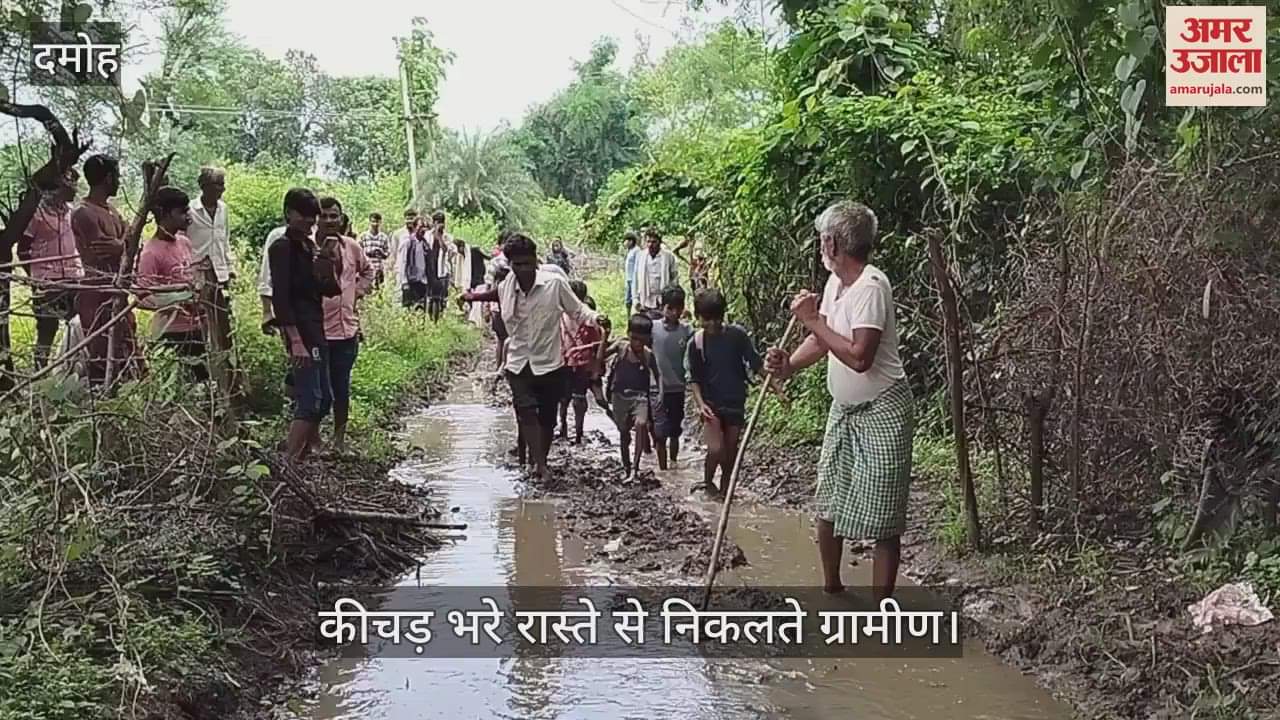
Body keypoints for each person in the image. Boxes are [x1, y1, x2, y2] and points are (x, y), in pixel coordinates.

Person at [765, 201, 914, 601]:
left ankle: (882, 606)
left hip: (883, 409)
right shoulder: (836, 284)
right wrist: (789, 366)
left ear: (832, 243)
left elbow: (859, 357)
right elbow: (822, 339)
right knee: (827, 502)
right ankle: (832, 587)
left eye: (821, 240)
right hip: (844, 409)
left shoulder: (871, 287)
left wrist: (812, 319)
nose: (819, 246)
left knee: (885, 518)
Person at [461, 233, 598, 481]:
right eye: (517, 264)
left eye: (526, 263)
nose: (522, 269)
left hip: (549, 362)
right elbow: (494, 294)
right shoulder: (506, 288)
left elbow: (577, 310)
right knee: (525, 410)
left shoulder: (554, 285)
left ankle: (539, 461)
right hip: (518, 362)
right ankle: (541, 466)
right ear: (510, 264)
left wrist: (597, 319)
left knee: (547, 418)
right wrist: (472, 297)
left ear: (535, 260)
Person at [268, 188, 340, 461]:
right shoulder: (281, 248)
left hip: (316, 326)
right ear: (289, 214)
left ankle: (304, 450)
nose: (309, 222)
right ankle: (290, 461)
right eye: (304, 216)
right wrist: (294, 339)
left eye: (313, 217)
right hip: (299, 330)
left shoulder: (310, 248)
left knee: (324, 399)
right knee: (311, 400)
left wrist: (326, 263)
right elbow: (281, 297)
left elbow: (328, 289)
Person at [71, 154, 142, 386]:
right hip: (97, 293)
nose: (120, 181)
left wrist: (121, 244)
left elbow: (132, 240)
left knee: (129, 349)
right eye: (118, 176)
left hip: (117, 291)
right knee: (102, 356)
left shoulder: (110, 209)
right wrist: (124, 243)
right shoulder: (84, 212)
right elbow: (104, 250)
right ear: (108, 178)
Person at [687, 288, 763, 497]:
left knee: (730, 452)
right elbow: (694, 379)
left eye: (717, 319)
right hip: (711, 403)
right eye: (707, 319)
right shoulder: (696, 343)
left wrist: (776, 388)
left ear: (723, 315)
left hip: (735, 401)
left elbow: (755, 363)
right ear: (698, 317)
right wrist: (701, 404)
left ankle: (725, 491)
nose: (712, 324)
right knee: (716, 449)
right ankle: (708, 481)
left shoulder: (737, 336)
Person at [320, 198, 375, 453]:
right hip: (317, 332)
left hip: (347, 330)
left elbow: (368, 271)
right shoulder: (308, 248)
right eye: (325, 216)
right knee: (318, 390)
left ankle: (339, 441)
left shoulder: (352, 247)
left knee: (341, 387)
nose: (330, 221)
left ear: (342, 219)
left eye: (334, 216)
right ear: (316, 219)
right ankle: (311, 439)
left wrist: (358, 293)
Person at [136, 186, 207, 382]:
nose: (188, 215)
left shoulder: (184, 242)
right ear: (166, 214)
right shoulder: (151, 253)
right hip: (171, 333)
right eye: (182, 211)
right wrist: (175, 301)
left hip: (196, 328)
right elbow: (142, 298)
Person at [18, 167, 83, 368]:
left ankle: (71, 371)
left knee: (77, 327)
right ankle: (40, 375)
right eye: (70, 183)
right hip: (46, 283)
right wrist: (36, 280)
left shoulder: (72, 213)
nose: (75, 188)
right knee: (46, 331)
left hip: (74, 279)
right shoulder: (36, 214)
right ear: (58, 186)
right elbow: (22, 250)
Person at [187, 167, 237, 366]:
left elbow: (224, 240)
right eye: (216, 185)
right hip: (198, 273)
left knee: (223, 320)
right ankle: (203, 361)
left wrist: (230, 268)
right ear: (203, 186)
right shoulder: (190, 210)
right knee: (201, 319)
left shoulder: (223, 209)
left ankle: (226, 362)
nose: (220, 190)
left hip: (220, 273)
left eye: (222, 185)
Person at [604, 314, 661, 479]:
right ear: (628, 334)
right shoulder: (621, 348)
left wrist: (660, 394)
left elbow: (658, 376)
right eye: (634, 338)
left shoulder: (648, 355)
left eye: (641, 340)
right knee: (623, 433)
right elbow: (601, 356)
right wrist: (603, 337)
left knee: (641, 424)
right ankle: (626, 467)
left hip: (640, 397)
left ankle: (635, 468)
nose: (637, 343)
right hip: (619, 396)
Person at [651, 285, 694, 470]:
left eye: (678, 308)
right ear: (662, 307)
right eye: (670, 308)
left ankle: (674, 465)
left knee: (675, 431)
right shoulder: (652, 329)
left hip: (677, 389)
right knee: (660, 433)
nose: (674, 312)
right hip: (656, 390)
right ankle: (663, 471)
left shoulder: (687, 331)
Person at [558, 279, 604, 444]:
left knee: (566, 399)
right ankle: (575, 432)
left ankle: (568, 430)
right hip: (578, 363)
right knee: (575, 399)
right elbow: (598, 345)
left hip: (568, 362)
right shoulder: (587, 319)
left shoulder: (563, 316)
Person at [633, 228, 678, 318]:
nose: (650, 245)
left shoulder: (668, 257)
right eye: (648, 242)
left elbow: (674, 278)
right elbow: (636, 279)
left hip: (662, 300)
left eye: (654, 242)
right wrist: (635, 299)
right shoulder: (641, 256)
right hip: (645, 299)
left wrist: (671, 299)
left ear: (659, 242)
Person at [424, 210, 457, 323]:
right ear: (433, 222)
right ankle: (430, 320)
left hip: (442, 271)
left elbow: (446, 249)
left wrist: (439, 236)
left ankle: (438, 321)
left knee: (440, 299)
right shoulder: (427, 235)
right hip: (430, 270)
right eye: (437, 221)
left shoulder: (448, 237)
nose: (440, 224)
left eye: (442, 221)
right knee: (430, 298)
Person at [396, 218, 430, 311]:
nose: (423, 230)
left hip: (422, 281)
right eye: (421, 227)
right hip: (410, 281)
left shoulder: (425, 244)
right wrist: (404, 281)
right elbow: (402, 262)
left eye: (425, 228)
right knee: (410, 309)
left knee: (421, 309)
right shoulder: (408, 242)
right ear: (415, 228)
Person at [360, 212, 391, 288]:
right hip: (366, 271)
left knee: (379, 291)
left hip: (379, 269)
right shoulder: (363, 236)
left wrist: (382, 253)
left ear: (380, 222)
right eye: (373, 221)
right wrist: (369, 252)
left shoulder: (384, 237)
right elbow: (358, 253)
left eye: (377, 222)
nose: (375, 224)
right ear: (369, 222)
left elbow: (387, 253)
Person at [388, 208, 418, 278]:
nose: (409, 221)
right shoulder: (398, 234)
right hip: (401, 269)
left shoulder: (420, 234)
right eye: (407, 219)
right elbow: (393, 253)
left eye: (412, 219)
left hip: (417, 271)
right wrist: (391, 270)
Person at [622, 231, 640, 316]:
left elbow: (638, 266)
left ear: (631, 241)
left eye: (626, 241)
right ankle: (629, 319)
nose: (624, 243)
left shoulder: (637, 251)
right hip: (629, 279)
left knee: (634, 301)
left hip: (634, 280)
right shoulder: (630, 251)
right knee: (628, 301)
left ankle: (634, 318)